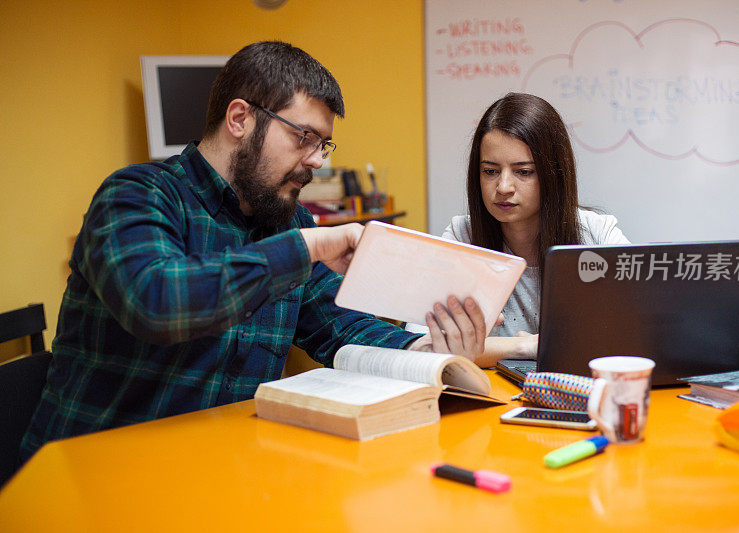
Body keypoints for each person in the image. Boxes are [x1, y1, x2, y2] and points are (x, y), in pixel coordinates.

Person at [20, 41, 486, 463]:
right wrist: (307, 247)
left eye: (324, 144)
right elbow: (157, 302)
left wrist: (429, 350)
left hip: (218, 472)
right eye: (304, 138)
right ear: (240, 118)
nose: (318, 161)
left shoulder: (285, 222)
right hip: (93, 476)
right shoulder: (136, 194)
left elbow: (339, 322)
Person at [408, 93, 629, 365]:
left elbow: (635, 337)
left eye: (523, 172)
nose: (503, 187)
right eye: (490, 171)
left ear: (553, 174)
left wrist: (481, 348)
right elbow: (420, 345)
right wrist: (525, 346)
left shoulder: (596, 234)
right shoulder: (461, 237)